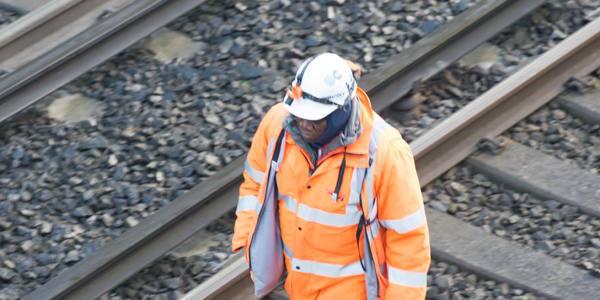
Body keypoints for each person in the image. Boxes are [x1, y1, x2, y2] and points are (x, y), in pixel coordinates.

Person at [232, 53, 430, 300]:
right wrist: (248, 241)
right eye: (300, 114)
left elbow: (408, 242)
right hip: (298, 287)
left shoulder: (386, 153)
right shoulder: (277, 126)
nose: (303, 124)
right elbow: (254, 183)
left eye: (315, 118)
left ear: (342, 110)